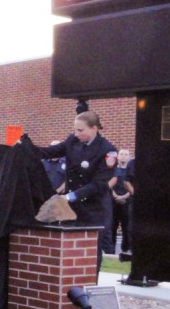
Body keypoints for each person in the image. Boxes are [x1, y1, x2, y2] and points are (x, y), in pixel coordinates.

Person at [36, 110, 117, 271]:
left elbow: (99, 184)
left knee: (91, 248)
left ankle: (90, 282)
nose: (77, 134)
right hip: (72, 207)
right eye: (75, 130)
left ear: (94, 129)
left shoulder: (107, 151)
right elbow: (50, 151)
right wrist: (27, 147)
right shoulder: (73, 141)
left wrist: (70, 197)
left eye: (81, 130)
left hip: (93, 206)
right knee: (70, 245)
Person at [107, 148, 132, 254]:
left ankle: (125, 248)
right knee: (112, 225)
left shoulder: (131, 171)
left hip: (127, 201)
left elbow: (133, 186)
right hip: (113, 201)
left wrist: (125, 196)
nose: (123, 156)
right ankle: (111, 249)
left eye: (126, 154)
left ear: (129, 157)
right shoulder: (113, 170)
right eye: (121, 154)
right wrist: (116, 196)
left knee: (127, 226)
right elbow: (108, 185)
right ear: (117, 156)